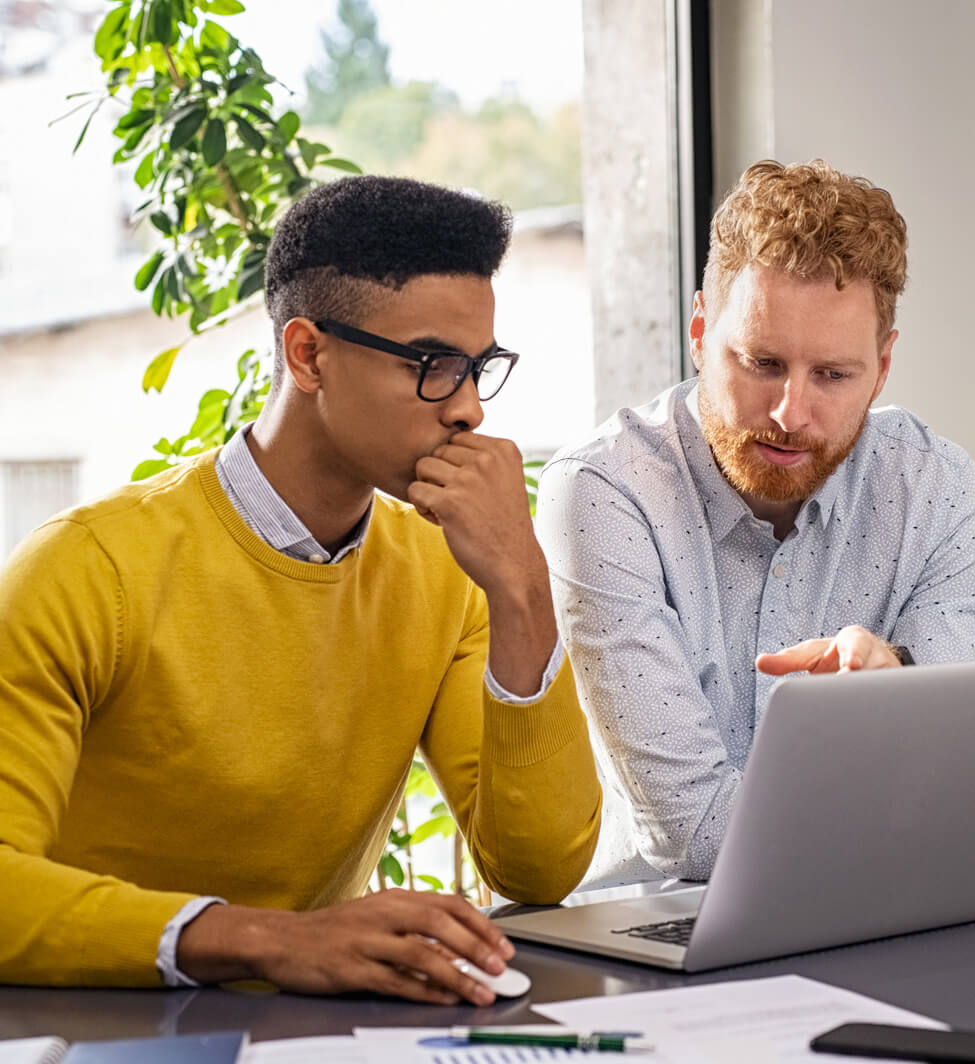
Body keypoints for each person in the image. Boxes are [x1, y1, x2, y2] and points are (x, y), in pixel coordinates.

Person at [0, 176, 601, 1004]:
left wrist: (523, 587)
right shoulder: (84, 571)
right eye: (432, 365)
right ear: (307, 355)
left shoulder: (445, 569)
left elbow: (538, 867)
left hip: (309, 1034)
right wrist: (268, 940)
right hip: (88, 1027)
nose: (467, 409)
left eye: (479, 367)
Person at [535, 159, 975, 888]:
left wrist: (901, 680)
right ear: (698, 334)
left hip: (866, 915)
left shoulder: (937, 490)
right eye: (761, 362)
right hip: (640, 941)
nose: (790, 412)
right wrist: (899, 756)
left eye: (833, 376)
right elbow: (695, 835)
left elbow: (968, 773)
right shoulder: (603, 492)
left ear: (881, 370)